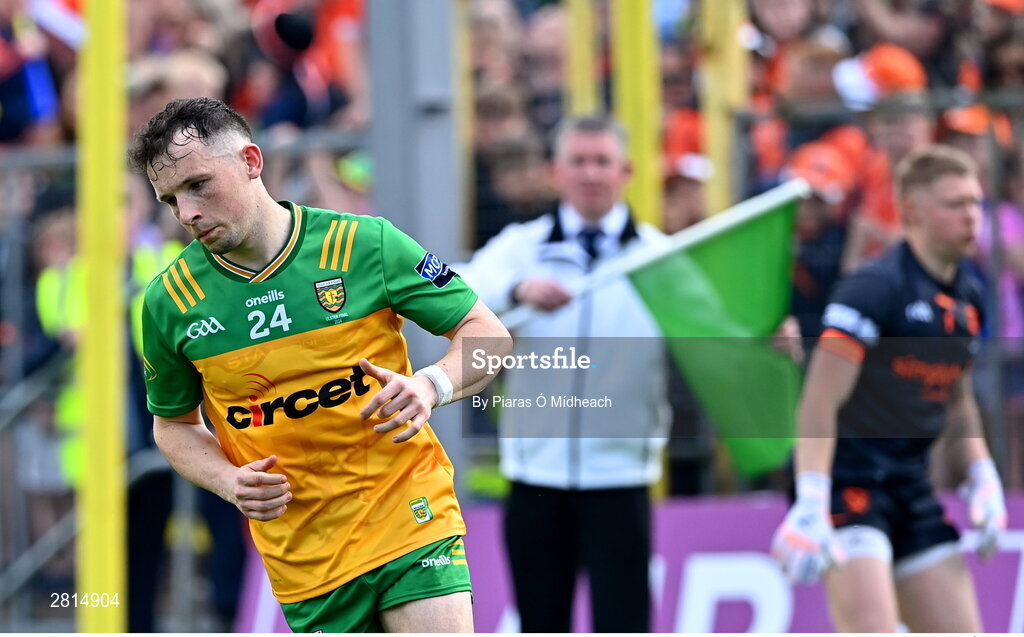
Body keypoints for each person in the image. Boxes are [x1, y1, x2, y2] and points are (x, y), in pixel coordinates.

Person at [127, 97, 512, 633]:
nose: (187, 212)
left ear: (251, 161)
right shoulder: (170, 301)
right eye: (170, 200)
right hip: (305, 553)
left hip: (406, 507)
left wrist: (431, 385)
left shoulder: (365, 244)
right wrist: (227, 481)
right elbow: (173, 426)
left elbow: (487, 333)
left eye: (198, 184)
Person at [771, 145, 1008, 632]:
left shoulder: (969, 295)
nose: (971, 217)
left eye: (976, 203)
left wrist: (982, 474)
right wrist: (812, 498)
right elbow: (820, 399)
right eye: (955, 204)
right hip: (849, 485)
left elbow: (957, 401)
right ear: (913, 212)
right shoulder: (874, 289)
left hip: (911, 485)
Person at [458, 114, 668, 632]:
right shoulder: (519, 247)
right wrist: (516, 291)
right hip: (535, 476)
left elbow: (723, 328)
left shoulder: (661, 258)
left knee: (624, 624)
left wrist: (773, 334)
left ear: (627, 171)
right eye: (579, 161)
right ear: (556, 171)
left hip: (623, 476)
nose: (591, 174)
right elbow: (455, 285)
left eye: (603, 162)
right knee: (541, 622)